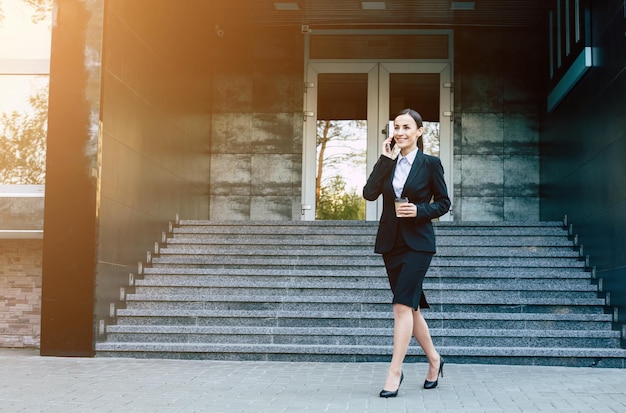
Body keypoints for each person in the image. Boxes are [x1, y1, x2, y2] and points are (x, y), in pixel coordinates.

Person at [363, 108, 451, 398]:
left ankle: (394, 372)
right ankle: (435, 360)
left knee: (401, 306)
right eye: (397, 127)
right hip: (392, 243)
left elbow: (443, 203)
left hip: (418, 244)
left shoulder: (430, 164)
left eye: (406, 127)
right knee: (410, 308)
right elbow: (369, 194)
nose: (400, 132)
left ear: (419, 131)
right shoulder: (389, 162)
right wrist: (384, 159)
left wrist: (418, 210)